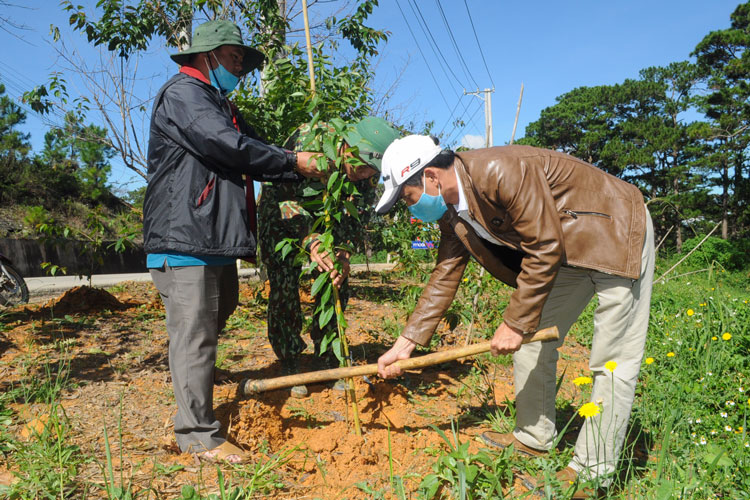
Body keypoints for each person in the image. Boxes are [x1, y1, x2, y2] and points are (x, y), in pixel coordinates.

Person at [374, 135, 654, 497]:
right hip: (567, 249)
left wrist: (514, 322)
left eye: (407, 197)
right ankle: (534, 437)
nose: (409, 208)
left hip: (617, 234)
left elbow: (543, 245)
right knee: (529, 344)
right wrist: (405, 343)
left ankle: (592, 472)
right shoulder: (452, 209)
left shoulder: (501, 170)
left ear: (429, 176)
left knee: (612, 361)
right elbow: (445, 273)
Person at [143, 20, 323, 464]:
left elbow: (250, 149)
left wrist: (294, 165)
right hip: (184, 237)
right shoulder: (185, 95)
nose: (240, 67)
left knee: (221, 309)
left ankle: (195, 379)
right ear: (206, 56)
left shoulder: (217, 102)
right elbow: (228, 146)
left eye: (243, 61)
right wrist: (293, 161)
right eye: (234, 57)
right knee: (195, 334)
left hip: (210, 238)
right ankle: (197, 433)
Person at [258, 118, 400, 395]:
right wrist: (308, 238)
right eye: (360, 167)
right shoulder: (311, 140)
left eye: (371, 171)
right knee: (284, 285)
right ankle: (290, 359)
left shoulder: (367, 171)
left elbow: (358, 209)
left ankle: (326, 357)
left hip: (328, 225)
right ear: (349, 146)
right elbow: (283, 194)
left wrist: (344, 250)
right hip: (283, 219)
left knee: (334, 280)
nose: (363, 175)